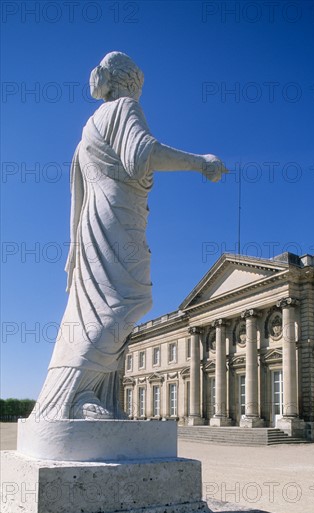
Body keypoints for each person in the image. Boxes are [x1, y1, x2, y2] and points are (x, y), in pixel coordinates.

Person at [34, 51, 227, 421]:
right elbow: (143, 154)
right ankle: (75, 395)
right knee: (124, 301)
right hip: (114, 223)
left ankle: (93, 395)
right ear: (131, 82)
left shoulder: (90, 124)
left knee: (107, 305)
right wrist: (200, 162)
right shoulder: (124, 108)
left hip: (100, 223)